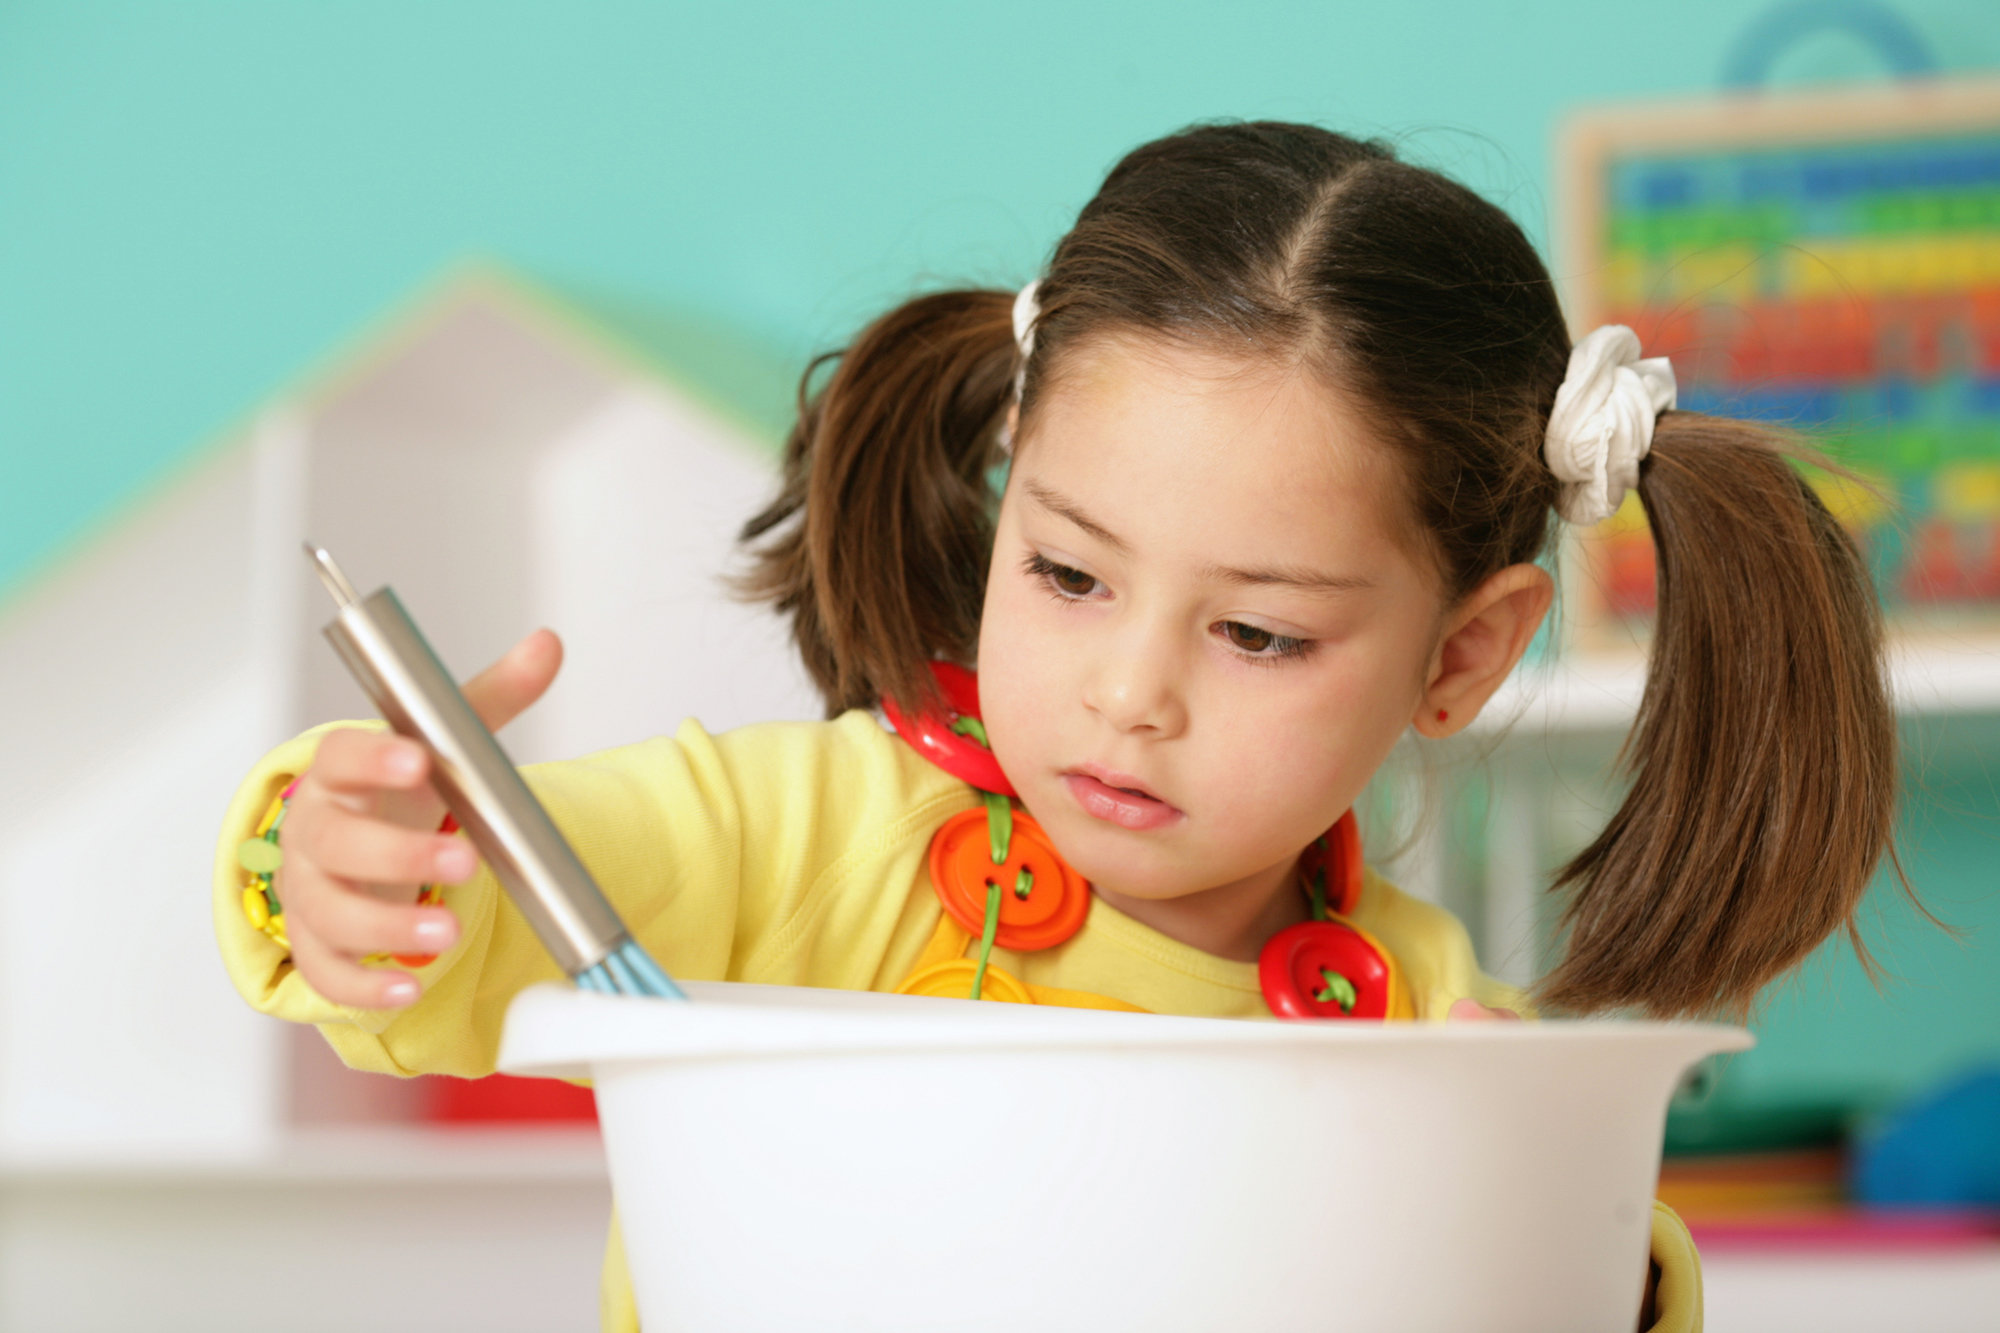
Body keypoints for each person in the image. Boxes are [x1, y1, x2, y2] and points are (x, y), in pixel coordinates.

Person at [213, 121, 1902, 1332]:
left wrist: (1580, 1250)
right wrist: (372, 865)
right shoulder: (805, 842)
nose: (1127, 692)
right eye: (1072, 572)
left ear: (1460, 657)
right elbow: (514, 896)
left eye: (1256, 631)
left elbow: (1597, 1261)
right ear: (1010, 484)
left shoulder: (1430, 1028)